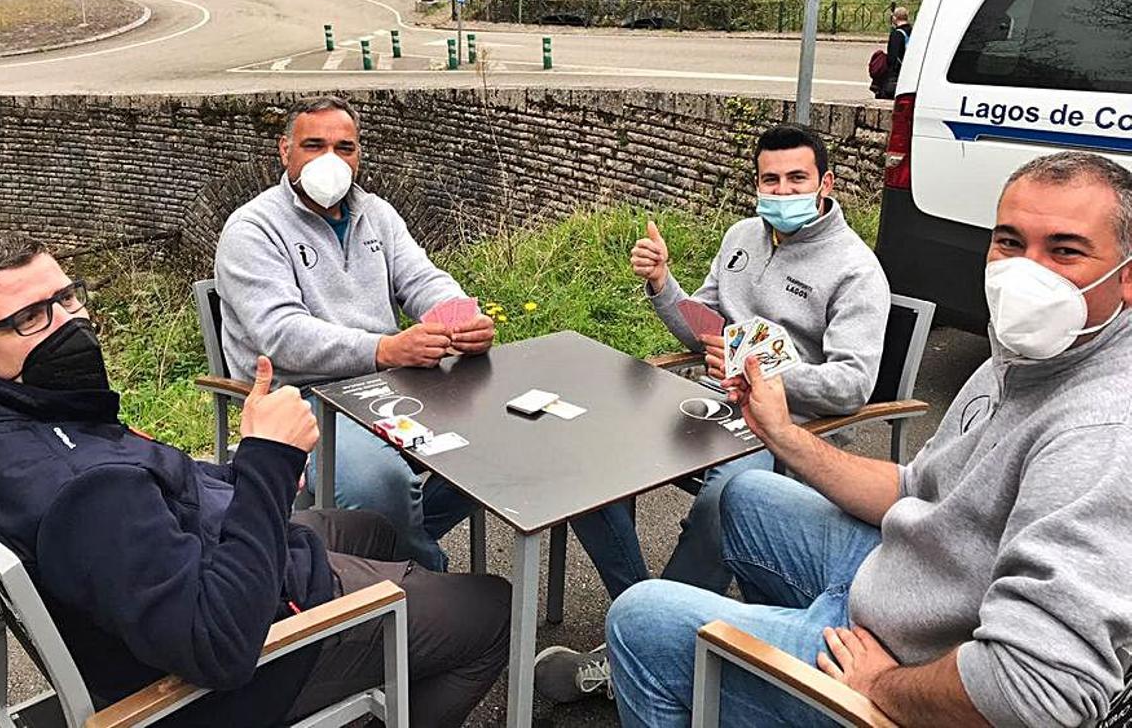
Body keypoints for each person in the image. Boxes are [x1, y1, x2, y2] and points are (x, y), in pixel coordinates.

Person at [606, 150, 1132, 727]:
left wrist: (880, 684)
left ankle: (714, 663)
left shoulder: (1101, 432)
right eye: (1009, 242)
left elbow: (1035, 691)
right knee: (744, 496)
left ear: (1126, 275)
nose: (1028, 273)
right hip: (906, 572)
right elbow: (916, 487)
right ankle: (753, 673)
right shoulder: (1023, 353)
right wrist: (779, 432)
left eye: (1065, 250)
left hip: (919, 660)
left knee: (640, 620)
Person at [0, 233, 511, 728]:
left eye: (66, 296)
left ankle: (399, 627)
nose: (69, 323)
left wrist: (249, 470)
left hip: (189, 570)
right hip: (240, 670)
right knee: (491, 608)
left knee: (371, 528)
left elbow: (149, 503)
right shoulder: (87, 490)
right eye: (31, 318)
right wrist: (266, 461)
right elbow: (219, 645)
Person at [537, 123, 890, 701]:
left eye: (797, 178)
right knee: (588, 457)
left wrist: (762, 372)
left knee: (724, 497)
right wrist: (661, 283)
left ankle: (655, 640)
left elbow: (851, 386)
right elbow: (702, 325)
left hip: (782, 427)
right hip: (701, 407)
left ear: (826, 183)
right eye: (770, 181)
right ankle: (639, 606)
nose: (782, 192)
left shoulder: (854, 269)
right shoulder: (742, 236)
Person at [216, 96, 491, 572]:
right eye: (314, 145)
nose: (331, 159)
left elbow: (423, 280)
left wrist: (462, 318)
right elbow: (280, 334)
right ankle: (426, 580)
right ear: (285, 151)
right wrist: (384, 349)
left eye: (344, 147)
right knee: (377, 484)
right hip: (304, 400)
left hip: (389, 384)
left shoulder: (376, 214)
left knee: (503, 438)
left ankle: (390, 540)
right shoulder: (251, 230)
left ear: (359, 154)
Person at [877, 6, 912, 100]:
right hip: (909, 69)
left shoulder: (897, 34)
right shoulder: (912, 31)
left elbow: (893, 56)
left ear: (895, 18)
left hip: (897, 73)